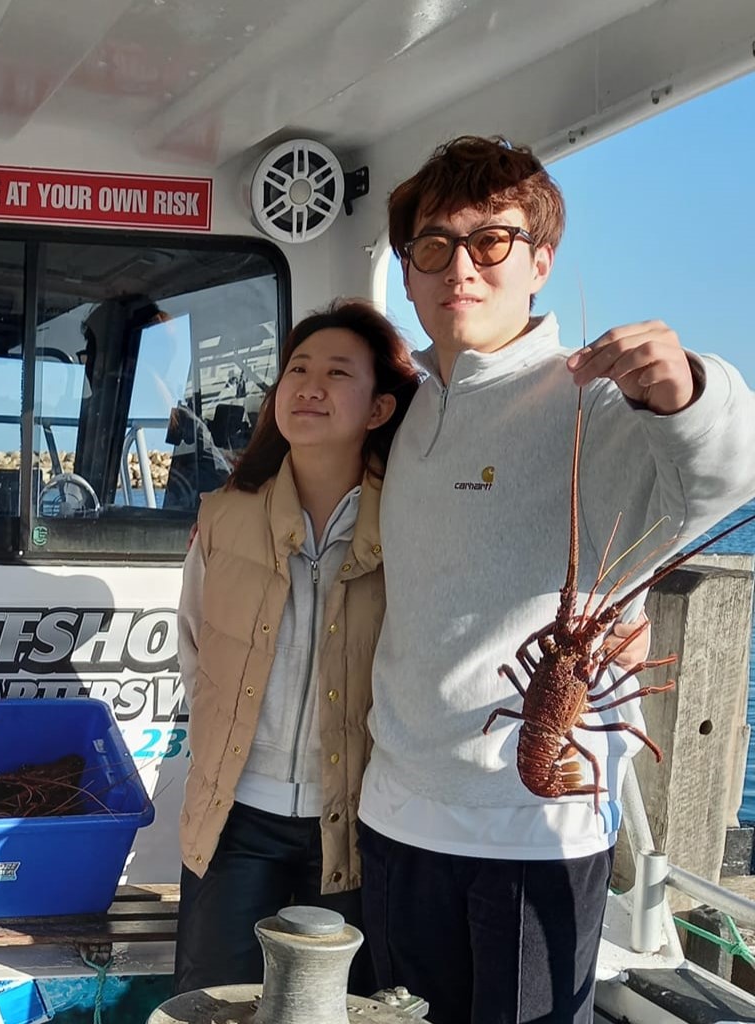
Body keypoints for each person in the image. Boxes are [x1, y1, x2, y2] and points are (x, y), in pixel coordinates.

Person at [358, 135, 755, 1023]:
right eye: (433, 247)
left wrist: (690, 388)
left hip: (533, 835)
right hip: (395, 819)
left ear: (540, 261)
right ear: (410, 275)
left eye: (490, 241)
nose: (460, 266)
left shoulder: (602, 406)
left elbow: (723, 478)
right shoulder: (408, 407)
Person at [173, 300, 420, 995]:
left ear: (378, 408)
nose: (309, 385)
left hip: (357, 827)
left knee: (334, 1009)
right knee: (214, 1005)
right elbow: (196, 650)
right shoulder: (222, 514)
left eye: (339, 373)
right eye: (298, 369)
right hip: (234, 821)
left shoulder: (409, 521)